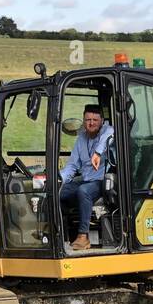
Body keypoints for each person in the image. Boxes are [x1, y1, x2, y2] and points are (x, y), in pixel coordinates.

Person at [59, 104, 113, 251]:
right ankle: (62, 233)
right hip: (86, 179)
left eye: (95, 119)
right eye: (88, 119)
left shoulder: (107, 132)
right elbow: (72, 166)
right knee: (58, 192)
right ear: (83, 121)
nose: (91, 123)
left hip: (102, 181)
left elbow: (110, 133)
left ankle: (83, 236)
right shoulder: (81, 139)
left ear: (101, 120)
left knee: (83, 191)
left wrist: (98, 153)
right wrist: (59, 180)